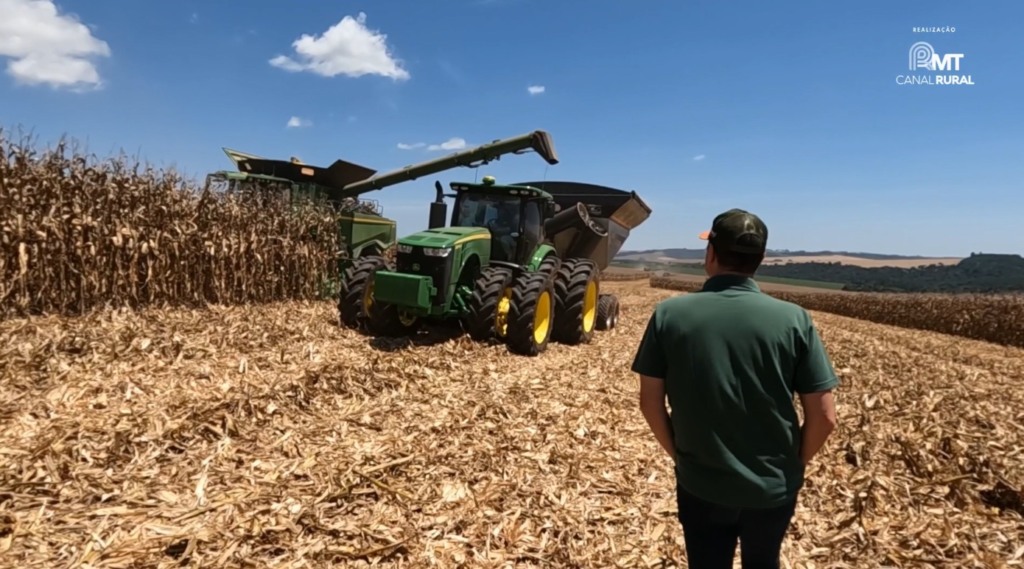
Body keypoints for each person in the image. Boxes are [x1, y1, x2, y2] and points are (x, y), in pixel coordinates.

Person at [631, 208, 839, 569]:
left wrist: (680, 458)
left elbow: (650, 403)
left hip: (702, 484)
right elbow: (824, 416)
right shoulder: (794, 320)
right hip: (773, 488)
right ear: (760, 259)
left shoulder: (670, 315)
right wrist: (793, 465)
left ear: (710, 253)